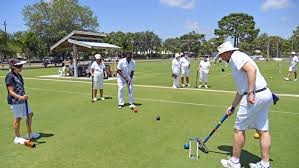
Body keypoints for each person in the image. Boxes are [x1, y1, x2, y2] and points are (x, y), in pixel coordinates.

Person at [217, 42, 273, 168]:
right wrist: (232, 106)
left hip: (254, 96)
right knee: (263, 130)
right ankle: (265, 164)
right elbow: (241, 90)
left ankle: (234, 162)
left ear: (226, 53)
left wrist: (251, 92)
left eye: (221, 55)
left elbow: (251, 69)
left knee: (239, 130)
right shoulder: (236, 59)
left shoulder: (236, 56)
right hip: (264, 94)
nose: (221, 58)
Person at [5, 59, 40, 145]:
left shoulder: (18, 75)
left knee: (30, 114)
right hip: (15, 101)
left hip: (22, 100)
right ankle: (17, 137)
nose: (21, 67)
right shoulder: (10, 76)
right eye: (19, 66)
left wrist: (23, 96)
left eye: (21, 66)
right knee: (18, 118)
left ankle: (30, 133)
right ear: (13, 67)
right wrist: (20, 97)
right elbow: (11, 91)